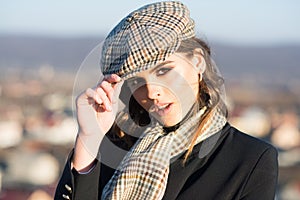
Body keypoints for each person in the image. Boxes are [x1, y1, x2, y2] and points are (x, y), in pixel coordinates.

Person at [54, 1, 278, 199]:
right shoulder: (113, 147)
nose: (151, 92)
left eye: (163, 71)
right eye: (136, 82)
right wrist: (88, 140)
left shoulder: (250, 159)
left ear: (198, 62)